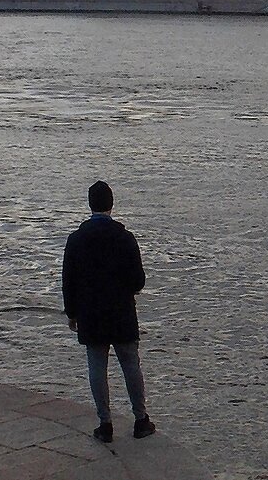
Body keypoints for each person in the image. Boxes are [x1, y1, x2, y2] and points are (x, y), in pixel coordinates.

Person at [62, 180, 156, 443]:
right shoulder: (125, 238)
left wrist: (72, 313)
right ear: (112, 204)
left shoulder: (76, 240)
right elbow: (138, 280)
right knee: (130, 366)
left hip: (91, 315)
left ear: (90, 204)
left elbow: (68, 280)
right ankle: (141, 420)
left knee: (97, 368)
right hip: (121, 313)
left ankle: (105, 424)